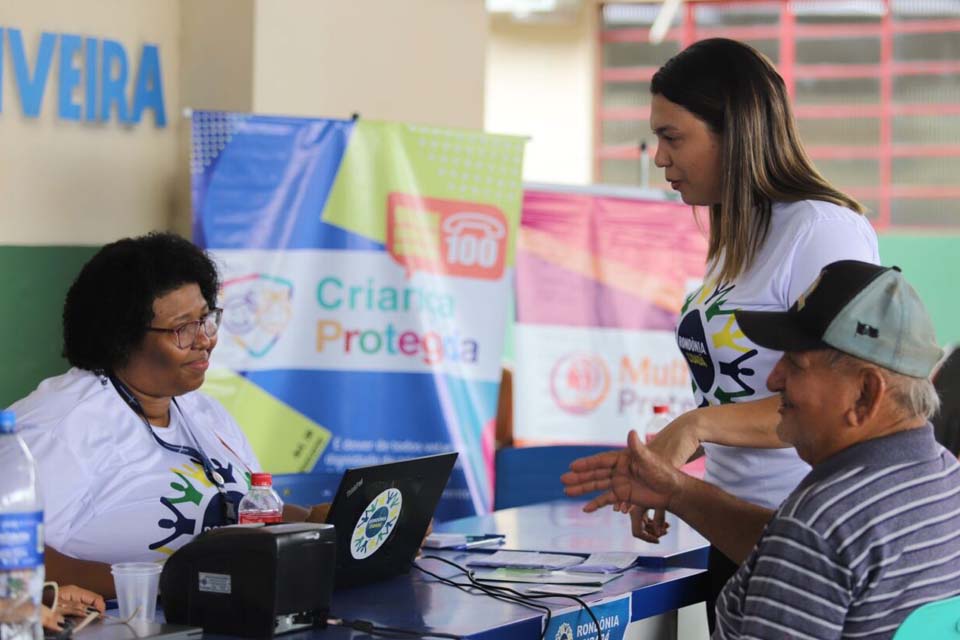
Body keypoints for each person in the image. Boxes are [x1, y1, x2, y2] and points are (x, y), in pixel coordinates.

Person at [563, 260, 960, 639]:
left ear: (866, 393)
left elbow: (811, 549)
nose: (774, 380)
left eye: (796, 364)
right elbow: (809, 559)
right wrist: (676, 492)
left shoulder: (821, 524)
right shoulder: (945, 480)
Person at [638, 37, 880, 623]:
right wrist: (672, 481)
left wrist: (692, 428)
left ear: (736, 132)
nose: (658, 157)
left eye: (673, 137)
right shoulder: (738, 236)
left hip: (802, 534)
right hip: (734, 526)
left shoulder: (823, 230)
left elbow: (843, 400)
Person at [10, 233, 328, 597]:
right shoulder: (60, 428)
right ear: (122, 336)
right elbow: (10, 551)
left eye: (206, 319)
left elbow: (237, 508)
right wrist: (161, 584)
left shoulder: (204, 412)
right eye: (182, 329)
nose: (205, 339)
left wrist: (313, 524)